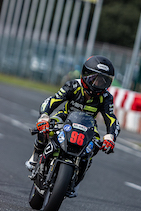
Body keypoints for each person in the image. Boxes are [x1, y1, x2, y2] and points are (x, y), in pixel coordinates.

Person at [25, 55, 120, 198]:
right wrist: (44, 116)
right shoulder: (73, 86)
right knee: (44, 128)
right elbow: (53, 100)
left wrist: (110, 137)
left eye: (103, 81)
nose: (97, 83)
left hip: (88, 125)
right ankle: (35, 156)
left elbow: (111, 119)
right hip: (65, 117)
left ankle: (77, 180)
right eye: (94, 78)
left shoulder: (106, 98)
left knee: (94, 147)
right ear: (85, 75)